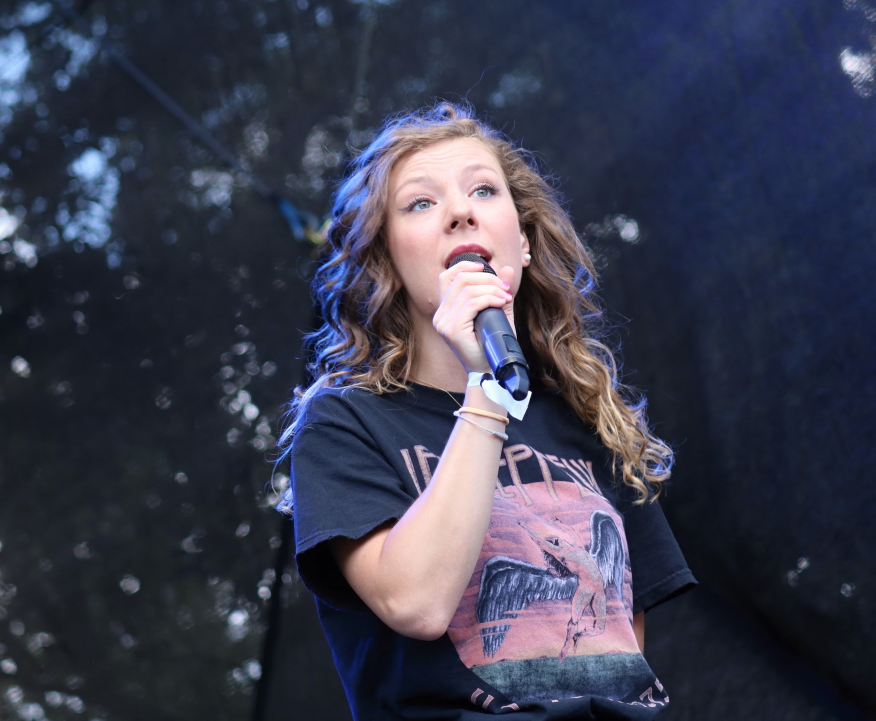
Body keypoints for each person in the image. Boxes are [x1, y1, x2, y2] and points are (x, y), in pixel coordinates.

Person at [277, 102, 696, 720]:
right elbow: (417, 604)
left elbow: (620, 650)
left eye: (483, 190)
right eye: (421, 203)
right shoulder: (344, 424)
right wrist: (486, 389)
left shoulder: (585, 417)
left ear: (521, 243)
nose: (460, 211)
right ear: (387, 258)